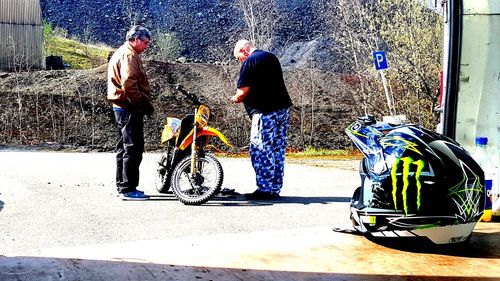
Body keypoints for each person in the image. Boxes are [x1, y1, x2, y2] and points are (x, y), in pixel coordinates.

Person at [231, 39, 293, 200]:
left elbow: (242, 92)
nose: (240, 61)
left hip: (264, 112)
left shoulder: (250, 61)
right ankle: (274, 188)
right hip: (282, 109)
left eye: (239, 58)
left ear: (244, 51)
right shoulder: (270, 57)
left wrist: (234, 98)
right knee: (277, 149)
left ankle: (264, 189)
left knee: (260, 149)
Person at [107, 25, 154, 200]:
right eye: (145, 42)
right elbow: (129, 83)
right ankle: (128, 189)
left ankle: (123, 186)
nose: (146, 46)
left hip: (121, 106)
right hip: (128, 107)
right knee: (132, 147)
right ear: (135, 39)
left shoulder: (124, 52)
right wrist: (138, 104)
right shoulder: (129, 55)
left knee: (124, 147)